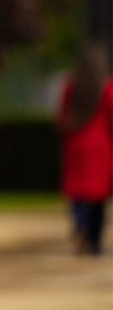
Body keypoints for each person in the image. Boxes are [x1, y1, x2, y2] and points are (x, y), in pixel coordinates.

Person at [57, 43, 113, 255]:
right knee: (97, 199)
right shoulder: (107, 88)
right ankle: (94, 241)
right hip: (100, 149)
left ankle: (80, 224)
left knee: (77, 194)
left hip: (75, 145)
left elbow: (62, 118)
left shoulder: (71, 86)